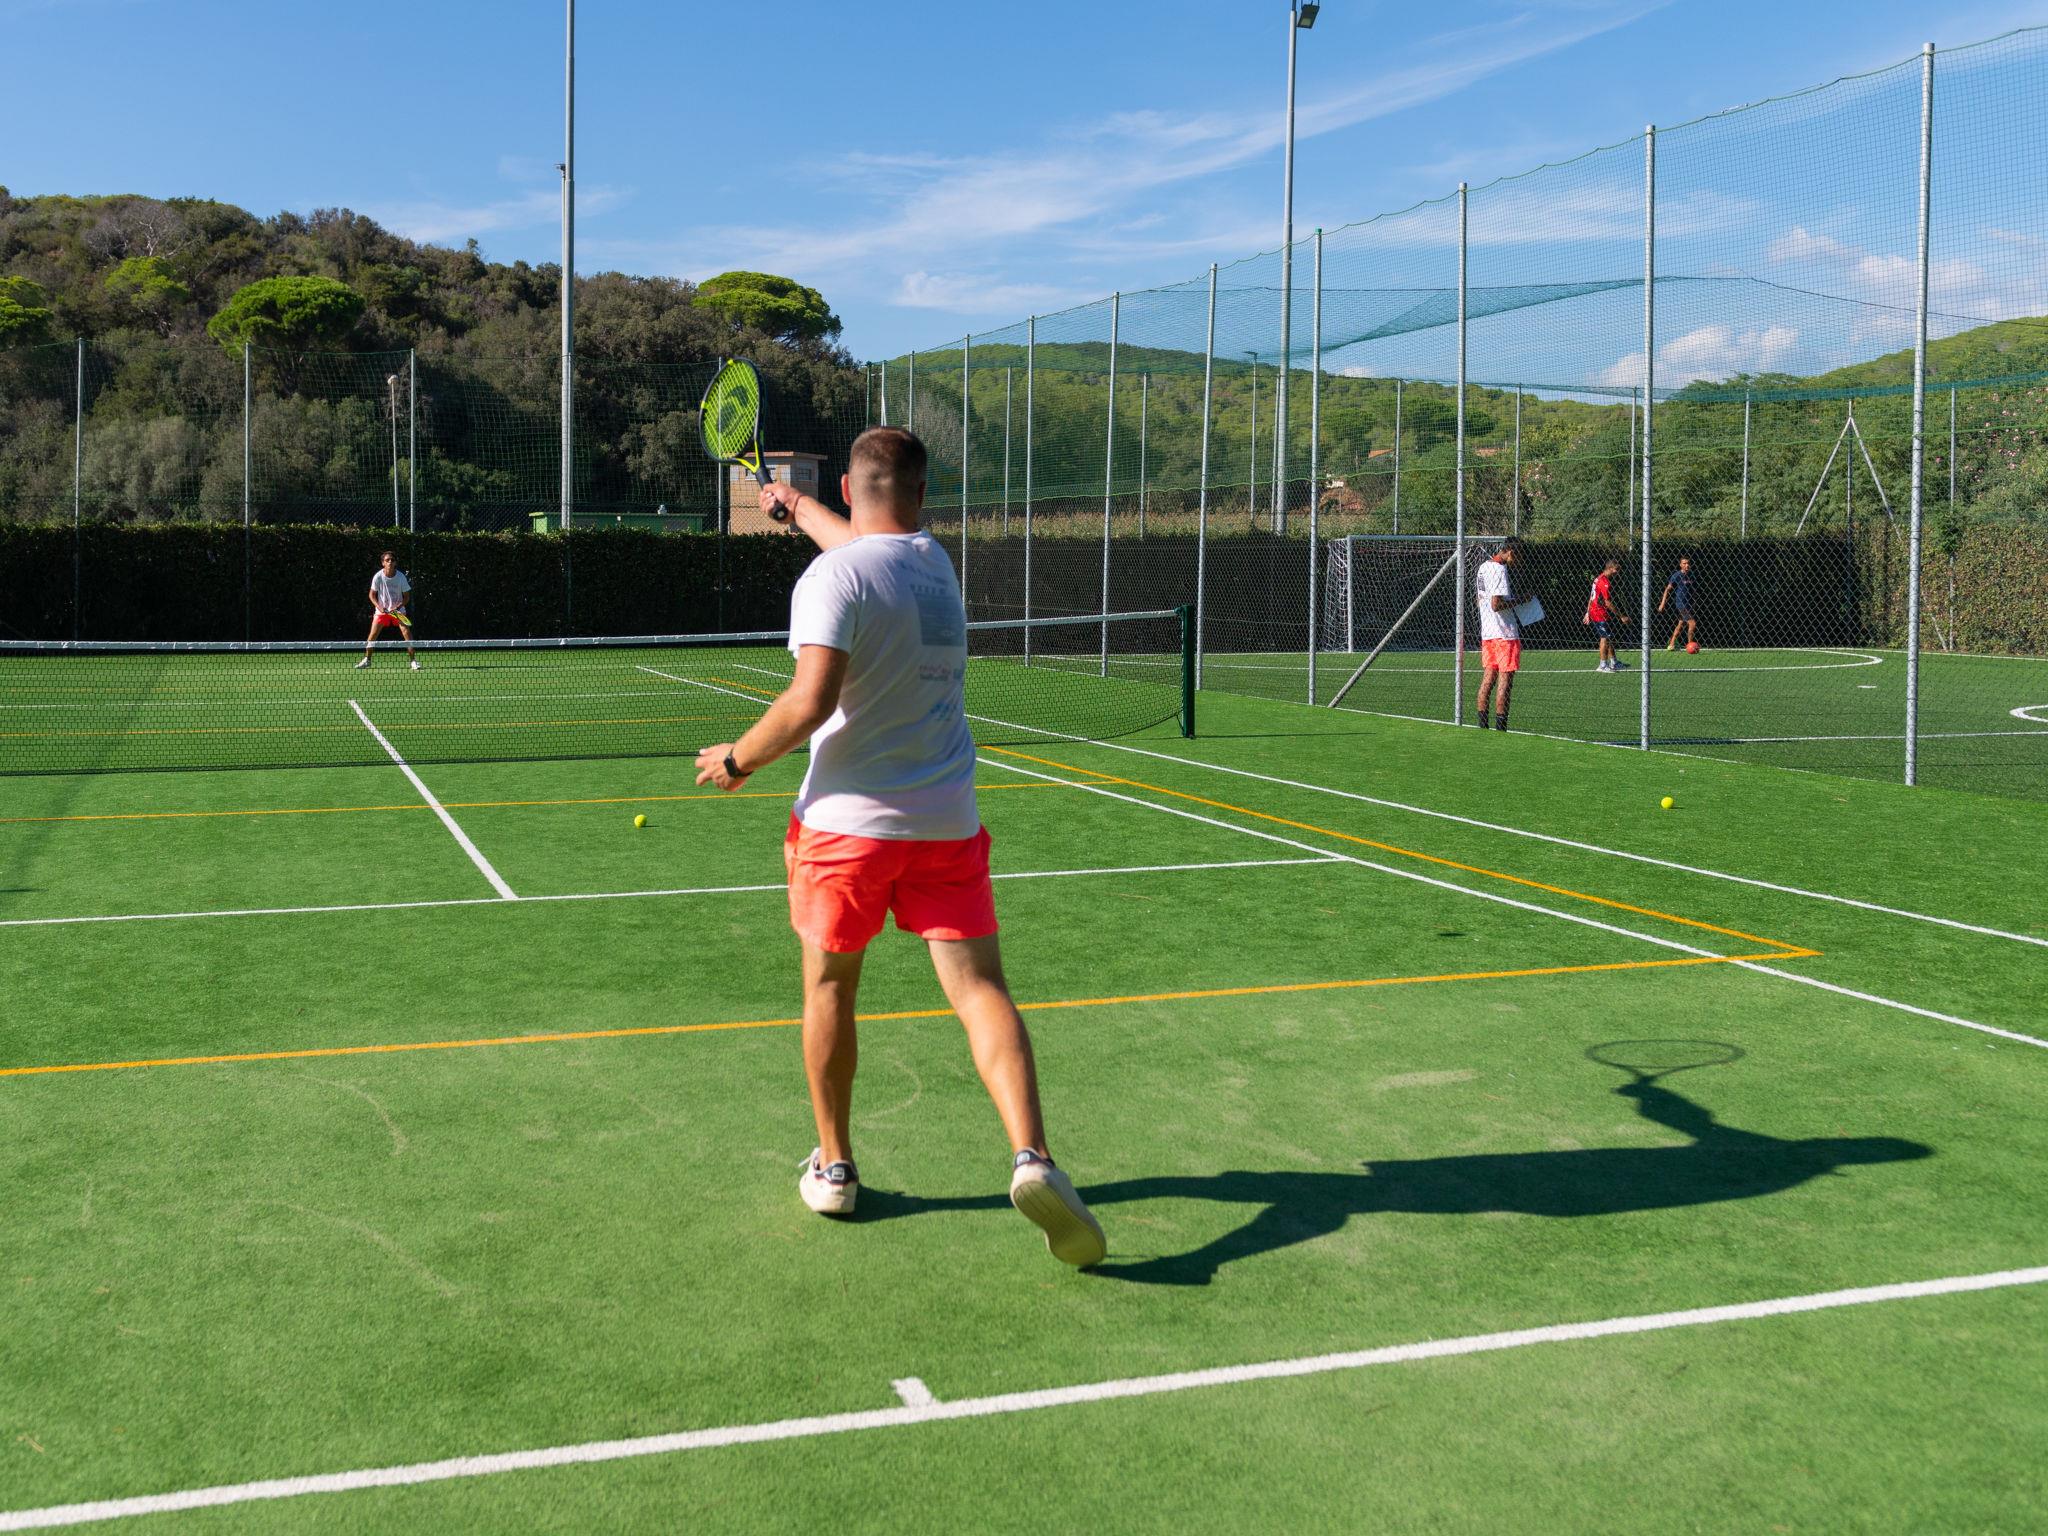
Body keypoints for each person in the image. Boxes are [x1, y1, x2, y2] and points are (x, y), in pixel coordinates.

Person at [692, 426, 1106, 1269]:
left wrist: (737, 759)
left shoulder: (834, 577)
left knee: (830, 989)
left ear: (852, 488)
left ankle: (835, 1166)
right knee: (981, 991)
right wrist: (795, 503)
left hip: (846, 830)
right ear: (922, 492)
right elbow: (864, 550)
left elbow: (809, 702)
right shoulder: (934, 568)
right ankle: (1034, 1158)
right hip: (946, 820)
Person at [1472, 537, 1524, 732]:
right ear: (1510, 552)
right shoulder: (1500, 569)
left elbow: (1481, 600)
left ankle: (1482, 726)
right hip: (1505, 634)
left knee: (1487, 680)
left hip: (1488, 633)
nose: (1519, 561)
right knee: (1505, 683)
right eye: (1519, 557)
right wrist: (1521, 600)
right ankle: (1501, 728)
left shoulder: (1483, 567)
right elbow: (1496, 605)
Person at [357, 550, 419, 671]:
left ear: (395, 563)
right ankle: (367, 660)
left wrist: (398, 606)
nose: (390, 562)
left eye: (392, 560)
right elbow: (371, 595)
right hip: (382, 611)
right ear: (383, 563)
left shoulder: (401, 577)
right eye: (387, 560)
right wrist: (379, 607)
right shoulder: (378, 576)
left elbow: (406, 597)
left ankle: (413, 661)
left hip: (397, 611)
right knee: (372, 636)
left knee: (407, 633)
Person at [1583, 556, 1630, 673]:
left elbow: (1592, 596)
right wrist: (1621, 616)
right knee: (1604, 638)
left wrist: (1587, 612)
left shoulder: (1598, 578)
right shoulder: (1604, 582)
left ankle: (1614, 662)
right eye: (1616, 570)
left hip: (1596, 611)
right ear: (1610, 568)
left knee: (1609, 637)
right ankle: (1603, 665)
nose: (1617, 572)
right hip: (1599, 612)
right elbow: (1607, 602)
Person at [1659, 555, 1699, 651]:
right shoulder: (1676, 576)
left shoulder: (1692, 575)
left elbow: (1693, 591)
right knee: (1692, 624)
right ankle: (1690, 646)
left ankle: (1671, 644)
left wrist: (1694, 602)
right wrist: (1662, 603)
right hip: (1681, 604)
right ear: (1680, 565)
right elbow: (1667, 589)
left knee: (1681, 624)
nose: (1687, 565)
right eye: (1684, 563)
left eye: (1688, 563)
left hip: (1689, 605)